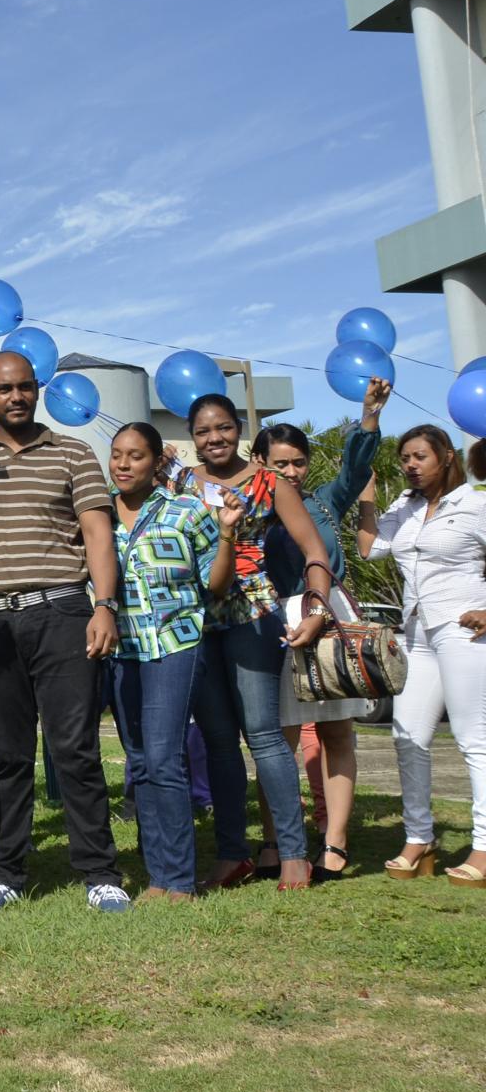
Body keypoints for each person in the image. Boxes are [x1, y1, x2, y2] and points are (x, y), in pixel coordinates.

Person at [0, 352, 129, 912]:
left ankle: (99, 871)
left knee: (75, 750)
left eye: (23, 388)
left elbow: (97, 535)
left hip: (61, 611)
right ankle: (7, 870)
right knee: (6, 755)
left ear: (36, 390)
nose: (15, 397)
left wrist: (104, 605)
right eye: (2, 389)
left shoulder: (74, 452)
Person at [176, 393, 330, 891]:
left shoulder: (271, 482)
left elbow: (314, 550)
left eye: (222, 428)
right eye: (203, 431)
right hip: (197, 619)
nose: (213, 439)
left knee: (264, 735)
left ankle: (291, 854)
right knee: (218, 742)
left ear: (239, 428)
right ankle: (232, 854)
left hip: (253, 614)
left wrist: (317, 607)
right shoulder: (180, 483)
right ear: (192, 436)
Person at [254, 377, 389, 881]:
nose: (290, 471)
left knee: (336, 734)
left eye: (298, 462)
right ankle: (275, 842)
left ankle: (334, 844)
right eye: (279, 463)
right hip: (274, 621)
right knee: (275, 740)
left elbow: (357, 466)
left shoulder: (326, 501)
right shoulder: (249, 508)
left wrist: (369, 415)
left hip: (330, 619)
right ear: (261, 461)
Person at [106, 422, 236, 901]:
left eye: (135, 456)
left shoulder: (186, 511)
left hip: (174, 643)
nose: (123, 464)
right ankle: (156, 867)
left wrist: (225, 535)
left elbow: (216, 585)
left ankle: (175, 879)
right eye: (117, 454)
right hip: (121, 649)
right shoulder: (97, 512)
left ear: (158, 460)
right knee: (140, 761)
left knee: (163, 758)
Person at [366, 425, 486, 888]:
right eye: (404, 458)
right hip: (416, 634)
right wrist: (367, 500)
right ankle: (419, 839)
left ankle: (482, 845)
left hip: (463, 630)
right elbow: (370, 548)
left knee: (473, 738)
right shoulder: (405, 508)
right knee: (407, 736)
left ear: (446, 457)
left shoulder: (475, 503)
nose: (410, 465)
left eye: (419, 456)